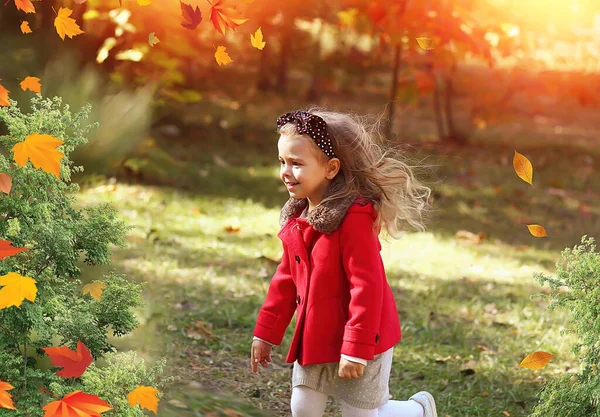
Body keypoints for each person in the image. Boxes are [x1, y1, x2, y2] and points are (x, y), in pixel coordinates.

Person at [250, 107, 437, 417]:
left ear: (331, 168)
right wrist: (265, 332)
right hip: (317, 336)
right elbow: (286, 278)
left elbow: (367, 286)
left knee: (359, 414)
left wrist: (356, 347)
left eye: (297, 164)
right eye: (282, 161)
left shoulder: (354, 219)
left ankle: (416, 411)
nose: (285, 171)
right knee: (303, 408)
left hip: (362, 338)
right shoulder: (298, 216)